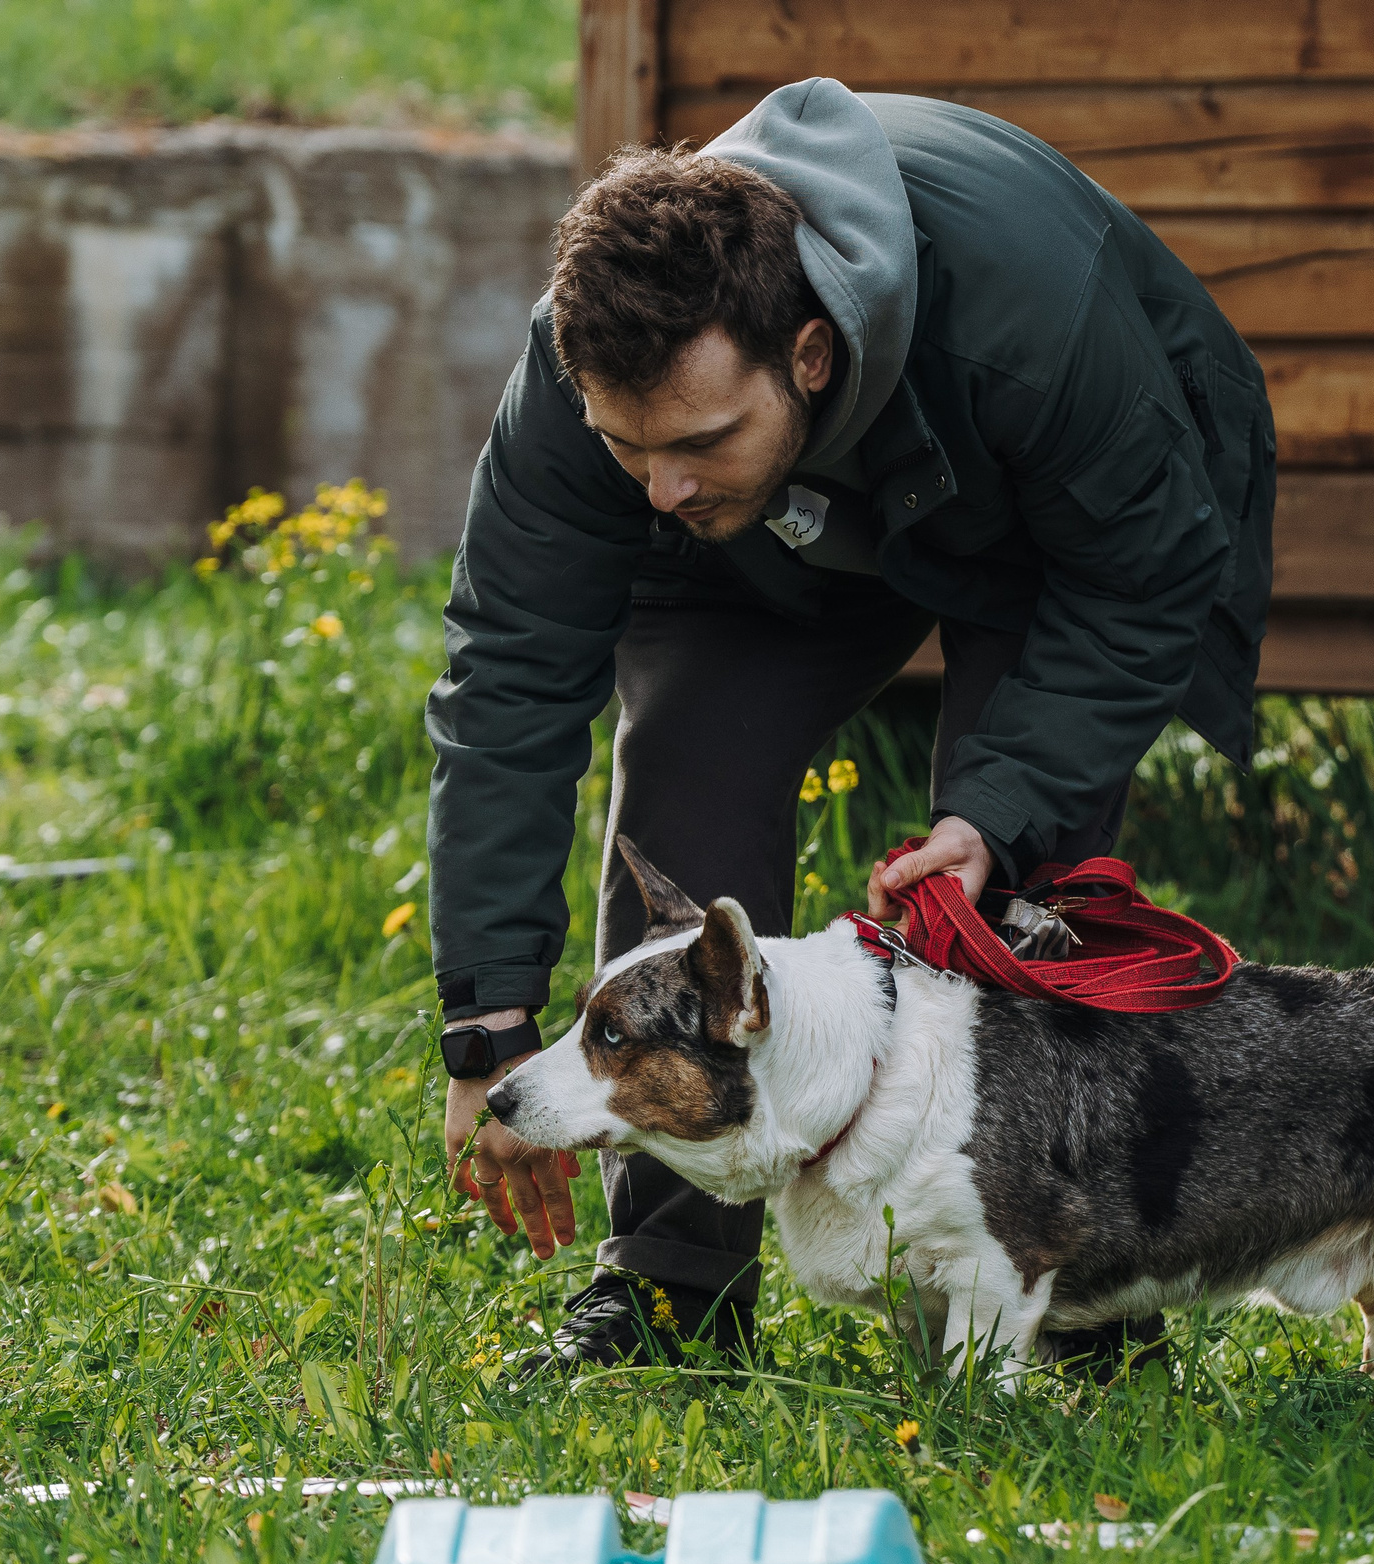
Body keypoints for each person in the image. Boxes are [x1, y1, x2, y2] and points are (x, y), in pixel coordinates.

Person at [427, 77, 1275, 1371]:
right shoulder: (598, 405)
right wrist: (487, 1028)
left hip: (1052, 523)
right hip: (780, 539)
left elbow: (1141, 575)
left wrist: (997, 805)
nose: (659, 485)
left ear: (808, 358)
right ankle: (668, 1293)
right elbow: (508, 684)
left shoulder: (1033, 327)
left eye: (700, 437)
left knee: (1010, 893)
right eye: (626, 446)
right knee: (685, 785)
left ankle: (1075, 1297)